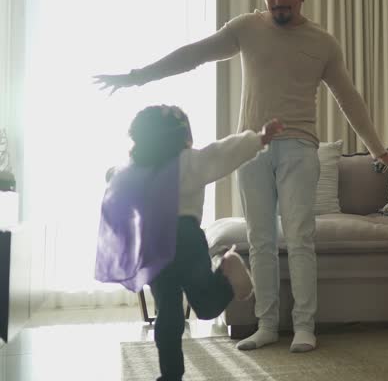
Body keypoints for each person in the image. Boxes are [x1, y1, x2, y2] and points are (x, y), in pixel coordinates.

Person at [93, 0, 388, 353]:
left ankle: (305, 326)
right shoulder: (246, 28)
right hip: (253, 149)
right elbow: (194, 54)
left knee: (300, 238)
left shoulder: (323, 42)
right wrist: (138, 77)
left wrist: (378, 150)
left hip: (300, 148)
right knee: (260, 239)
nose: (277, 1)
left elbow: (350, 99)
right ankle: (267, 324)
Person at [96, 104, 284, 381]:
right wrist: (259, 138)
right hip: (171, 242)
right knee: (172, 315)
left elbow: (220, 152)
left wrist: (257, 139)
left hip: (169, 242)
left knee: (183, 312)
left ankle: (226, 270)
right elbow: (221, 153)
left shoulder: (166, 165)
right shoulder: (167, 165)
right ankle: (171, 375)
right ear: (183, 135)